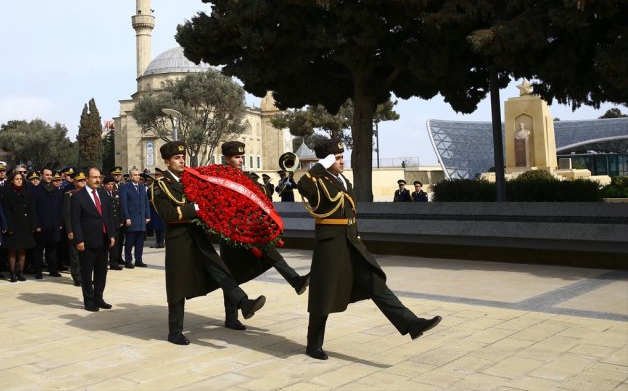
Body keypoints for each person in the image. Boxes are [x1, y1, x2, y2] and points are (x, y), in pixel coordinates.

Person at [297, 138, 442, 360]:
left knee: (375, 282)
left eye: (341, 156)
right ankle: (313, 344)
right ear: (326, 161)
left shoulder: (342, 180)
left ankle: (411, 323)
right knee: (324, 294)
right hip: (331, 245)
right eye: (336, 158)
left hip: (352, 242)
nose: (342, 161)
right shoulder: (318, 180)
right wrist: (320, 166)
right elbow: (303, 186)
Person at [151, 141, 266, 345]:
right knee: (177, 285)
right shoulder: (160, 186)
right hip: (178, 239)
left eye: (182, 157)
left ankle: (243, 303)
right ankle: (175, 331)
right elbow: (168, 215)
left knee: (220, 269)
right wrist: (194, 209)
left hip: (197, 234)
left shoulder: (190, 179)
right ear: (167, 162)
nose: (181, 160)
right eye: (177, 158)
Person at [219, 141, 309, 330]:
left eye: (242, 157)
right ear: (227, 159)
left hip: (251, 230)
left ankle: (295, 280)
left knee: (269, 249)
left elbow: (265, 192)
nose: (240, 160)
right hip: (231, 232)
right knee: (230, 272)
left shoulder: (247, 177)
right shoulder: (219, 177)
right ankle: (232, 316)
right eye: (237, 157)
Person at [70, 167, 116, 312]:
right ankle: (89, 300)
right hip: (87, 240)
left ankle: (99, 297)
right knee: (86, 272)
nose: (98, 180)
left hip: (103, 239)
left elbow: (109, 216)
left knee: (102, 271)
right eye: (94, 177)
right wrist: (79, 240)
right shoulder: (78, 196)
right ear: (87, 179)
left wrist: (112, 234)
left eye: (99, 177)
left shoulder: (103, 194)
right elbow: (75, 220)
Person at [2, 171, 37, 282]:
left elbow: (31, 209)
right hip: (13, 225)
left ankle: (20, 272)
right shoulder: (7, 193)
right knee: (12, 250)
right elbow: (6, 211)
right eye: (17, 179)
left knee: (22, 250)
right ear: (12, 180)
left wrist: (33, 224)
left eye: (20, 179)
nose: (19, 181)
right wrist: (9, 227)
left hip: (25, 224)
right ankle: (12, 273)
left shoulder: (26, 192)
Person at [33, 167, 63, 278]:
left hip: (54, 224)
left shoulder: (56, 190)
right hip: (42, 225)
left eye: (50, 175)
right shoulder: (36, 190)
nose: (49, 177)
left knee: (53, 249)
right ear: (41, 175)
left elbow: (60, 207)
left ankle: (53, 270)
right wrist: (36, 224)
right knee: (39, 250)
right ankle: (38, 272)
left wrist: (60, 222)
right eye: (47, 175)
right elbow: (34, 209)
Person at [118, 167, 151, 268]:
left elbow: (146, 202)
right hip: (131, 219)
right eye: (135, 175)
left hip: (141, 219)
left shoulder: (141, 187)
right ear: (130, 176)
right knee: (130, 242)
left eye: (138, 175)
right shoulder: (125, 187)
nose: (138, 177)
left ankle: (138, 260)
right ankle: (128, 261)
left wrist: (147, 215)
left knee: (140, 242)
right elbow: (123, 204)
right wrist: (127, 217)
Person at [63, 170, 86, 286]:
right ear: (75, 181)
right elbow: (66, 214)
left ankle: (85, 276)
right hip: (74, 228)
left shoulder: (88, 194)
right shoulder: (70, 194)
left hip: (86, 229)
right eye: (80, 180)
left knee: (85, 254)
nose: (83, 182)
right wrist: (70, 230)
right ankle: (77, 276)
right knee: (75, 254)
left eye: (84, 180)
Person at [101, 175, 124, 270]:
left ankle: (114, 263)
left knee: (116, 244)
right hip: (106, 223)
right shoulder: (101, 194)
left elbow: (119, 208)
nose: (110, 186)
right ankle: (103, 263)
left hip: (115, 222)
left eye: (112, 184)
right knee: (106, 244)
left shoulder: (115, 193)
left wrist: (121, 220)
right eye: (108, 184)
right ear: (104, 185)